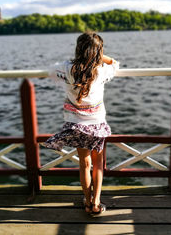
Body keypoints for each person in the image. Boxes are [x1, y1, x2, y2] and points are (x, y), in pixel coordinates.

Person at [43, 32, 119, 214]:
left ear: (78, 49)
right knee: (98, 163)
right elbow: (115, 64)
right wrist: (101, 57)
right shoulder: (101, 71)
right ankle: (96, 202)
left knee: (84, 164)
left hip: (75, 124)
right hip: (97, 124)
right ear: (98, 52)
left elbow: (50, 70)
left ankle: (86, 201)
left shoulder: (66, 69)